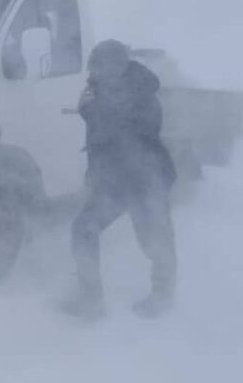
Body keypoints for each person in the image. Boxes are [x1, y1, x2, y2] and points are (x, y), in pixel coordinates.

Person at [64, 40, 178, 320]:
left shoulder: (143, 92)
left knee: (155, 240)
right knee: (83, 229)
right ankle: (91, 300)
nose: (96, 72)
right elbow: (101, 138)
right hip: (113, 182)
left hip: (145, 179)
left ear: (118, 65)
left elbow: (127, 133)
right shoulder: (100, 90)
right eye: (95, 67)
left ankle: (163, 296)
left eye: (101, 66)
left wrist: (90, 110)